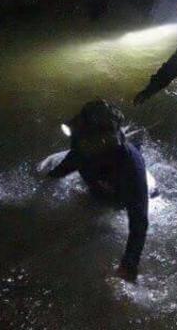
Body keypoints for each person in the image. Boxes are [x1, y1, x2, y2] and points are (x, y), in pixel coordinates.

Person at [48, 100, 149, 282]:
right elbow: (67, 165)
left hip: (119, 197)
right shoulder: (82, 144)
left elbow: (139, 221)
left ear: (103, 138)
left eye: (86, 136)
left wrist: (129, 264)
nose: (80, 141)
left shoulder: (130, 165)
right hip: (98, 185)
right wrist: (49, 179)